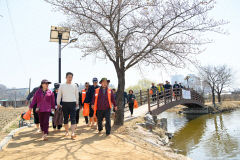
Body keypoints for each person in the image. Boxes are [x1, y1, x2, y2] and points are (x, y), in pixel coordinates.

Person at [57, 72, 79, 139]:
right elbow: (59, 94)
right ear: (66, 77)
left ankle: (72, 133)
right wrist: (58, 103)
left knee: (73, 118)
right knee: (65, 119)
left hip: (73, 103)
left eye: (71, 77)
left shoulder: (74, 85)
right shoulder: (62, 85)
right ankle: (66, 131)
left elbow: (76, 94)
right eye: (69, 77)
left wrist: (77, 102)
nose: (70, 78)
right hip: (65, 103)